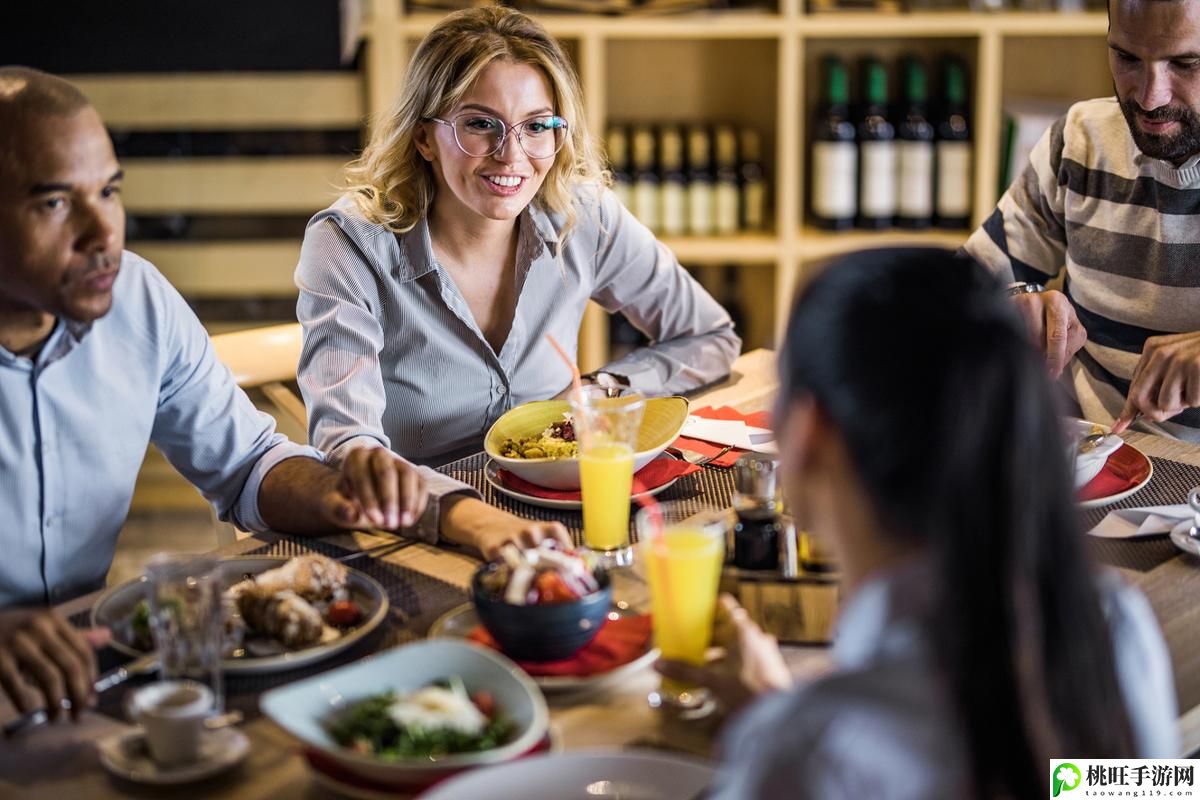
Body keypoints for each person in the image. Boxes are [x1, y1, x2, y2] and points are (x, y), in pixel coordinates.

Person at [0, 67, 560, 725]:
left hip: (88, 674)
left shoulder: (138, 301)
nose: (104, 234)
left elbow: (246, 466)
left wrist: (333, 492)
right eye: (56, 203)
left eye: (109, 192)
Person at [659, 248, 1179, 798]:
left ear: (810, 436)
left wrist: (779, 726)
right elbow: (1129, 787)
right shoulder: (1115, 624)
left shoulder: (810, 753)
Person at [293, 8, 740, 503]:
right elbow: (349, 447)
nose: (511, 155)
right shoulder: (349, 242)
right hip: (424, 519)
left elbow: (711, 336)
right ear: (423, 137)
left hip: (562, 508)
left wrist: (606, 386)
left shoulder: (583, 215)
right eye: (481, 124)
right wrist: (466, 518)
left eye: (536, 126)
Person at [964, 0, 1200, 440]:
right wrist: (1014, 302)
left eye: (1186, 63)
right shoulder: (1079, 143)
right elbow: (953, 294)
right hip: (1089, 463)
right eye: (1127, 58)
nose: (1151, 97)